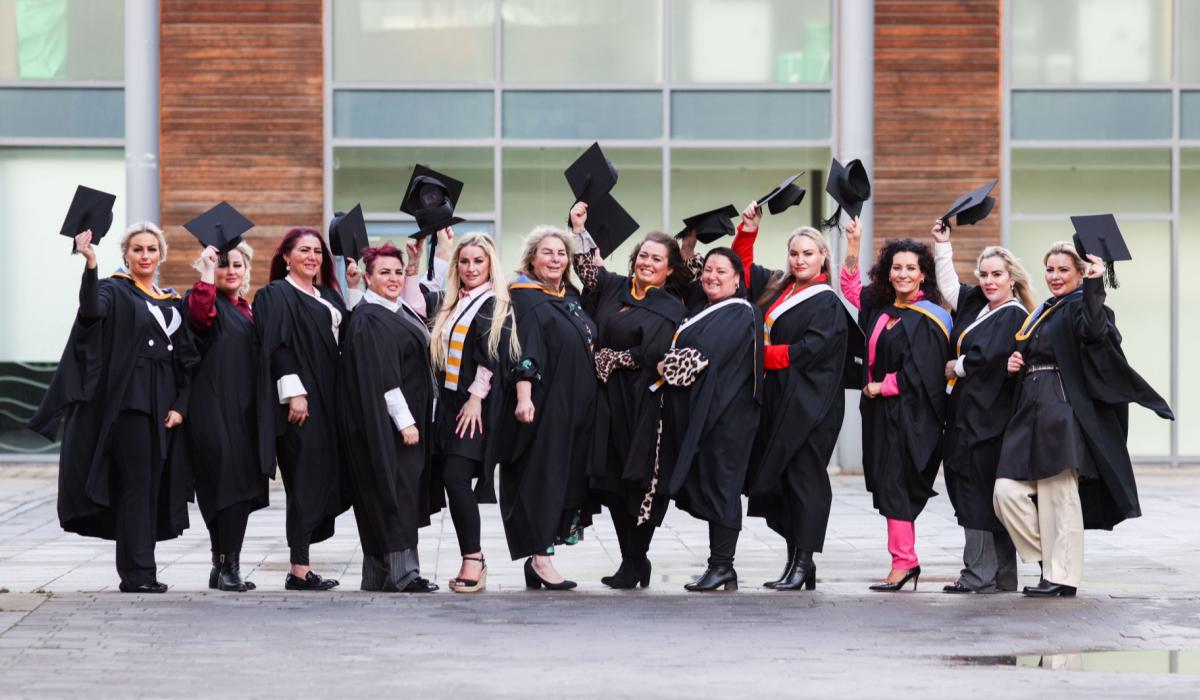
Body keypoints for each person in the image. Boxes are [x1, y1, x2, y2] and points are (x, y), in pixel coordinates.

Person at [993, 241, 1172, 597]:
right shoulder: (1043, 311)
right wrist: (1016, 364)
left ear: (1078, 273)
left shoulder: (1082, 307)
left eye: (1063, 270)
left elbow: (1093, 332)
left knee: (1060, 499)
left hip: (1061, 414)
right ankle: (1050, 562)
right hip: (1029, 412)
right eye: (1050, 269)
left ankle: (1063, 578)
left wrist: (1095, 284)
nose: (1055, 276)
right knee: (1006, 493)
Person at [30, 224, 195, 593]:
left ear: (161, 255)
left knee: (152, 487)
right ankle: (138, 573)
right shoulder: (113, 289)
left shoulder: (171, 299)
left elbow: (186, 360)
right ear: (126, 255)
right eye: (137, 249)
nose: (145, 255)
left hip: (163, 408)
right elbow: (90, 312)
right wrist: (90, 264)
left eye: (152, 249)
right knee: (137, 486)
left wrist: (181, 406)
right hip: (130, 405)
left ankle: (142, 568)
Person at [733, 203, 858, 591]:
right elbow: (740, 277)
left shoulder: (827, 301)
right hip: (778, 399)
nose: (799, 259)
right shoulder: (781, 288)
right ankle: (795, 560)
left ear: (823, 256)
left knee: (804, 479)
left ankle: (804, 561)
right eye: (794, 253)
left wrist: (762, 357)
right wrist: (748, 230)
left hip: (810, 405)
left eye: (808, 253)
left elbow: (811, 349)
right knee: (782, 480)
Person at [568, 202, 689, 589]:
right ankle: (632, 560)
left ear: (669, 269)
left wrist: (611, 357)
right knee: (612, 483)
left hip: (645, 405)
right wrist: (578, 228)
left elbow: (654, 354)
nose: (647, 263)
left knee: (640, 484)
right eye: (643, 256)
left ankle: (636, 559)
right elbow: (587, 270)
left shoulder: (670, 306)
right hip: (607, 403)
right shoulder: (615, 286)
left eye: (657, 259)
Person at [840, 219, 951, 592]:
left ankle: (904, 563)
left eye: (911, 268)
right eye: (896, 267)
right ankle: (904, 560)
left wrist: (880, 386)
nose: (903, 274)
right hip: (880, 414)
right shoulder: (881, 310)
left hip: (913, 415)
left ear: (923, 276)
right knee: (889, 486)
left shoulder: (930, 317)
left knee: (898, 486)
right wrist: (853, 245)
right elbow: (851, 288)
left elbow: (927, 374)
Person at [931, 221, 1033, 594]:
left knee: (976, 495)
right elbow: (950, 288)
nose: (989, 281)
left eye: (997, 275)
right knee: (984, 497)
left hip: (989, 421)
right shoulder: (980, 306)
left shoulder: (1015, 315)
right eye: (985, 275)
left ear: (1012, 278)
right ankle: (1002, 576)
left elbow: (991, 357)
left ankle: (977, 574)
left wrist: (958, 366)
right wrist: (943, 246)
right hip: (968, 415)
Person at [655, 247, 761, 592]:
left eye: (721, 271)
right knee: (715, 485)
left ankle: (722, 566)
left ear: (737, 279)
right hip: (713, 414)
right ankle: (719, 567)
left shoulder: (740, 312)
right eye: (708, 270)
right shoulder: (708, 309)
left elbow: (700, 357)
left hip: (729, 417)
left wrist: (663, 365)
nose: (712, 276)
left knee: (723, 488)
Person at [337, 243, 441, 593]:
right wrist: (405, 422)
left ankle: (379, 574)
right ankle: (403, 573)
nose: (393, 278)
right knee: (394, 490)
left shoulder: (393, 310)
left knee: (393, 490)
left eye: (397, 272)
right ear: (368, 277)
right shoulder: (370, 318)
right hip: (388, 425)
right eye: (384, 272)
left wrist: (418, 262)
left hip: (396, 421)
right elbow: (384, 376)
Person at [252, 227, 351, 591]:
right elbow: (276, 346)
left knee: (328, 475)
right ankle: (299, 568)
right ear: (286, 257)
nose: (313, 257)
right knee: (304, 480)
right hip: (302, 402)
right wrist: (294, 392)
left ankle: (303, 562)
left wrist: (351, 285)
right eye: (304, 250)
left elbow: (349, 333)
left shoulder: (327, 295)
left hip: (333, 399)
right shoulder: (276, 295)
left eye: (318, 252)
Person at [500, 226, 598, 590]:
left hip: (578, 408)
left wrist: (581, 232)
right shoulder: (524, 297)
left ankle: (539, 557)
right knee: (545, 479)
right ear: (531, 258)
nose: (555, 259)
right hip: (549, 404)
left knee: (566, 479)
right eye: (547, 252)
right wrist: (524, 397)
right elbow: (525, 351)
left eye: (561, 253)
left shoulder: (568, 297)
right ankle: (541, 559)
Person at [427, 232, 519, 593]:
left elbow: (491, 353)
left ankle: (474, 559)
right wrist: (438, 249)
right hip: (449, 405)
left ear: (490, 264)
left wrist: (477, 397)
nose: (470, 268)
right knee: (452, 479)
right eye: (464, 261)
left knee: (456, 477)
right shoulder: (453, 303)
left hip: (474, 405)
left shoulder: (495, 303)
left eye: (478, 261)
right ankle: (472, 557)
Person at [184, 243, 269, 592]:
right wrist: (207, 270)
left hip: (246, 410)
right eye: (223, 266)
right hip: (213, 408)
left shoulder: (248, 310)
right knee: (225, 486)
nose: (230, 271)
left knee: (239, 488)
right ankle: (228, 565)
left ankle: (222, 565)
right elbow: (200, 318)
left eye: (237, 265)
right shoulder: (204, 300)